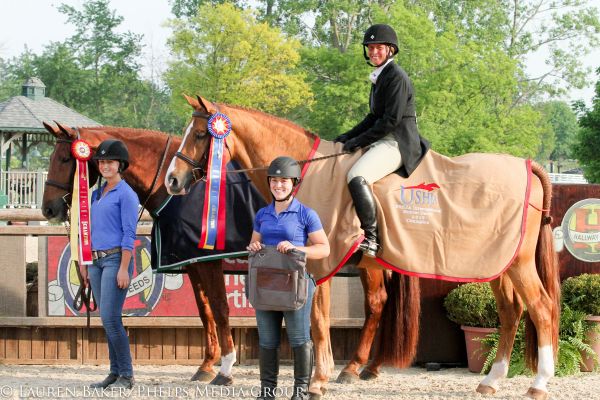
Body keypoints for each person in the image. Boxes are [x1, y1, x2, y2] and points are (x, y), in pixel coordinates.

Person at [334, 24, 430, 257]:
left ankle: (372, 237)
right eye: (370, 47)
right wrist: (349, 136)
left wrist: (358, 142)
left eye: (379, 47)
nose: (374, 51)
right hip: (383, 140)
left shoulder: (396, 77)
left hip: (398, 142)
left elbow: (390, 121)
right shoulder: (380, 77)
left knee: (356, 176)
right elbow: (373, 117)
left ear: (390, 50)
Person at [246, 156, 330, 400]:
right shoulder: (262, 213)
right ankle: (267, 392)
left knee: (299, 339)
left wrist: (296, 248)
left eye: (284, 181)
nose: (278, 185)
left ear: (294, 183)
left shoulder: (306, 214)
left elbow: (323, 248)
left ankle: (300, 392)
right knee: (267, 340)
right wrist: (253, 247)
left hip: (295, 285)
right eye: (274, 180)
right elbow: (254, 243)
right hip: (265, 284)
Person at [83, 139, 139, 389]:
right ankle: (114, 372)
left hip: (116, 259)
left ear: (120, 165)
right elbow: (90, 230)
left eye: (110, 162)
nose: (105, 165)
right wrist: (86, 263)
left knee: (111, 319)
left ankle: (126, 375)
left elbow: (129, 233)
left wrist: (124, 267)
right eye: (102, 162)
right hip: (95, 261)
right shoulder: (96, 194)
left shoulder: (126, 194)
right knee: (107, 320)